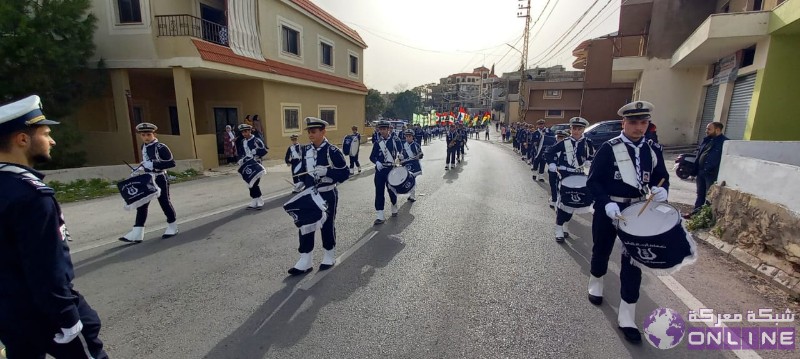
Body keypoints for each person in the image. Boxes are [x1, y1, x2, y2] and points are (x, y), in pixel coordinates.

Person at [0, 95, 108, 358]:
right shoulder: (31, 195)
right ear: (22, 139)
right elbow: (45, 269)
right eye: (46, 133)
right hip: (47, 313)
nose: (52, 141)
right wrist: (69, 318)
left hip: (9, 312)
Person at [586, 100, 669, 344]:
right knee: (601, 249)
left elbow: (662, 176)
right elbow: (593, 181)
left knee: (633, 262)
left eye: (643, 122)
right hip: (610, 208)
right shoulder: (610, 148)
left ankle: (627, 315)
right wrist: (604, 202)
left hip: (637, 210)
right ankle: (596, 281)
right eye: (633, 122)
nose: (638, 127)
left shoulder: (653, 150)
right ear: (624, 122)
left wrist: (663, 191)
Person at [287, 117, 350, 275]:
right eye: (309, 131)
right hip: (310, 195)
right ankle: (305, 260)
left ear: (323, 132)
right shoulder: (305, 150)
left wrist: (328, 172)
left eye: (314, 131)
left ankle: (329, 254)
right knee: (305, 225)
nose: (310, 134)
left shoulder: (332, 151)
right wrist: (301, 182)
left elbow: (345, 173)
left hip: (327, 193)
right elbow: (305, 171)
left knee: (326, 225)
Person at [119, 122, 179, 242]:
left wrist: (153, 164)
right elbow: (145, 162)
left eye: (148, 134)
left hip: (160, 177)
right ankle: (137, 233)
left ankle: (172, 226)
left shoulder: (161, 147)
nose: (146, 137)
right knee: (141, 203)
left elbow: (171, 163)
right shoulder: (143, 146)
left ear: (154, 134)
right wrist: (140, 168)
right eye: (143, 135)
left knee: (164, 202)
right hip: (148, 178)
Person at [546, 117, 595, 242]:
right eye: (574, 128)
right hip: (565, 176)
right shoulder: (564, 142)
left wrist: (589, 161)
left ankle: (565, 225)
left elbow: (592, 156)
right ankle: (559, 227)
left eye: (579, 129)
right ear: (570, 128)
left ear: (583, 129)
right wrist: (551, 163)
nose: (576, 131)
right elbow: (549, 152)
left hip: (580, 176)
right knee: (564, 203)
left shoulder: (587, 143)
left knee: (575, 203)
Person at [686, 121, 728, 218]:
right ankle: (696, 214)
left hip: (711, 174)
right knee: (700, 194)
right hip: (701, 171)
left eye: (709, 129)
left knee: (709, 196)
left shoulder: (724, 143)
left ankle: (705, 217)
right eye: (706, 129)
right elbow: (699, 154)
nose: (706, 131)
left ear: (717, 130)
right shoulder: (706, 140)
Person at [369, 120, 403, 224]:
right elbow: (372, 157)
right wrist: (377, 162)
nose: (382, 131)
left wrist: (400, 156)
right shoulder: (377, 143)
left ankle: (394, 205)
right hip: (380, 170)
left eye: (384, 129)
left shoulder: (395, 140)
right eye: (381, 129)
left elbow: (401, 152)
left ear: (389, 129)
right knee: (379, 191)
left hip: (391, 169)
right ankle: (380, 215)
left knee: (391, 190)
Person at [236, 123, 268, 209]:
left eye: (246, 131)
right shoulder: (243, 141)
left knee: (255, 183)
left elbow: (264, 151)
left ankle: (259, 200)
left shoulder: (256, 140)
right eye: (243, 132)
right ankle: (254, 199)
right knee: (249, 182)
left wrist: (256, 152)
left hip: (255, 164)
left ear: (250, 131)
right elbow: (241, 152)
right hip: (247, 165)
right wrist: (240, 159)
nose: (244, 134)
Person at [546, 130, 569, 209]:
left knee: (562, 186)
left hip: (563, 170)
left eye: (562, 137)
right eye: (559, 137)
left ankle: (560, 201)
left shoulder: (569, 148)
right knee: (553, 184)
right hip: (553, 169)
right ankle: (554, 199)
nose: (560, 139)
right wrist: (551, 163)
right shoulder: (552, 146)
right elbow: (547, 154)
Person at [401, 129, 423, 202]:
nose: (408, 138)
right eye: (406, 136)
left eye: (409, 136)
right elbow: (401, 154)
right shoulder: (403, 145)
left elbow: (421, 154)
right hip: (406, 165)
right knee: (407, 180)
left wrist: (418, 156)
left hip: (414, 165)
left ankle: (412, 196)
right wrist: (400, 158)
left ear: (412, 137)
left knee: (412, 179)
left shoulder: (416, 145)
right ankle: (410, 194)